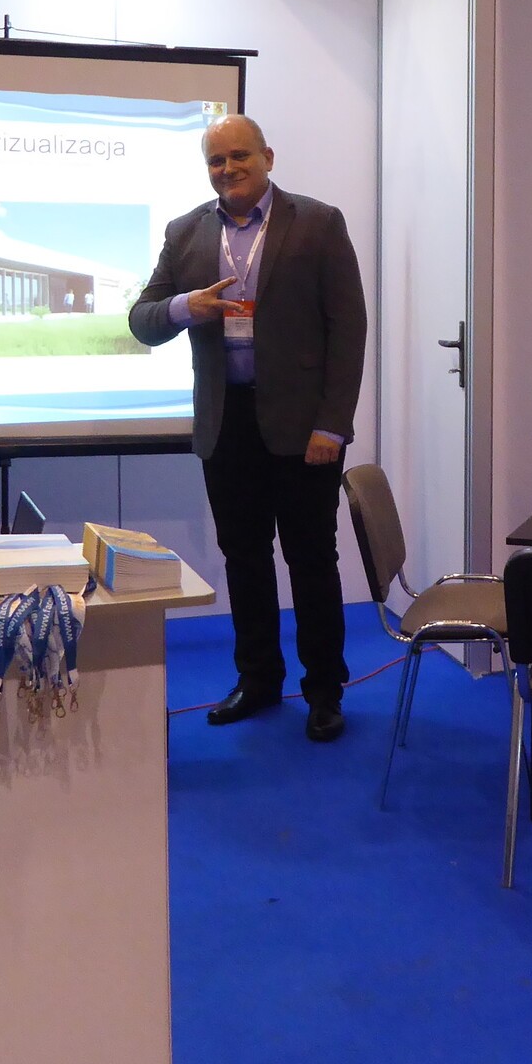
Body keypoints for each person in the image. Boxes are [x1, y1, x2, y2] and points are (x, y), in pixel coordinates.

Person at [131, 115, 366, 741]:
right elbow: (142, 319)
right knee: (244, 559)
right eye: (216, 161)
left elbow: (348, 329)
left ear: (267, 156)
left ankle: (324, 690)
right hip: (226, 423)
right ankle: (258, 679)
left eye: (239, 156)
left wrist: (333, 425)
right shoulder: (185, 232)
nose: (227, 169)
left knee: (311, 561)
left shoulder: (318, 222)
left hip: (303, 428)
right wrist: (185, 307)